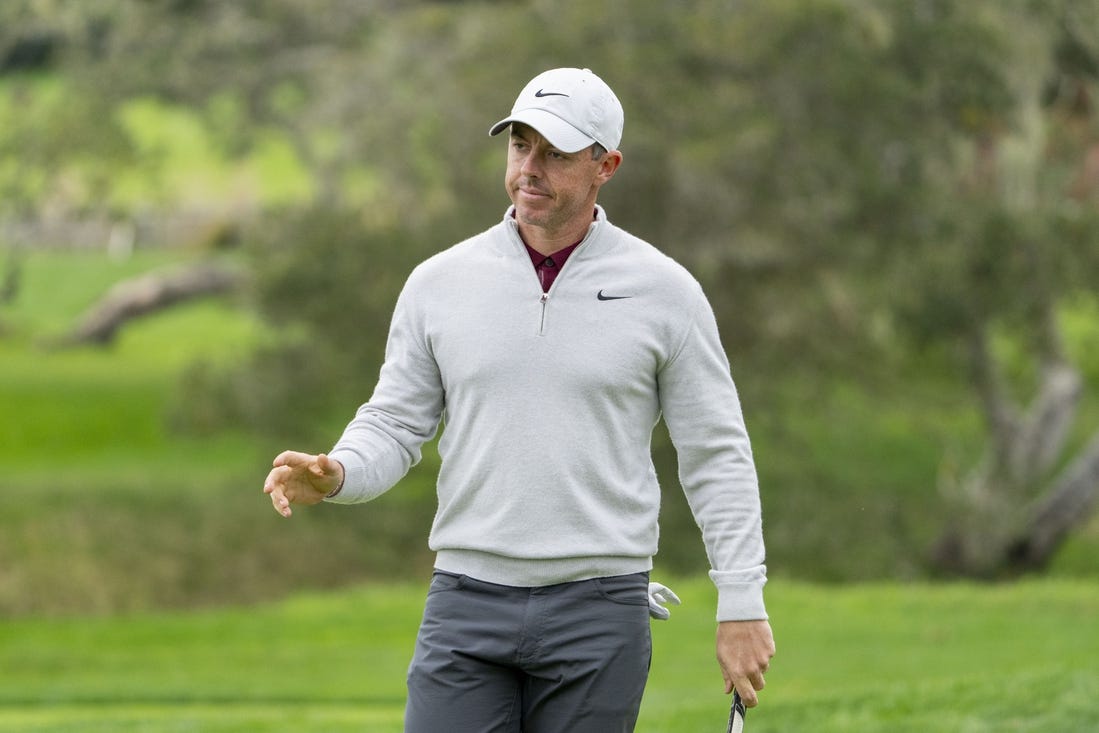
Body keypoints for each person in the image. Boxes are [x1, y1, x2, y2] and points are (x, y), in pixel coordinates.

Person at [263, 66, 775, 732]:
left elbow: (716, 452)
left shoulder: (664, 292)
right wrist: (339, 472)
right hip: (465, 604)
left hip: (598, 610)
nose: (529, 168)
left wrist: (741, 600)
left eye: (554, 153)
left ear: (605, 165)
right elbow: (394, 421)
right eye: (519, 145)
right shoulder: (438, 283)